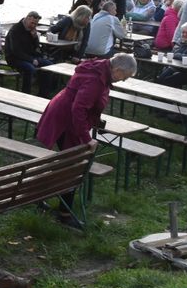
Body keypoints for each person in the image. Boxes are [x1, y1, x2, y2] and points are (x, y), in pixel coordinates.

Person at [36, 53, 138, 227]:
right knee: (74, 166)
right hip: (66, 120)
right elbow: (78, 109)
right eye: (125, 77)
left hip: (65, 114)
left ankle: (42, 199)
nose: (123, 81)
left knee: (68, 164)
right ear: (118, 70)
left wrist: (96, 121)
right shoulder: (95, 80)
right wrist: (86, 138)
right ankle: (64, 214)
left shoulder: (100, 67)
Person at [4, 11, 54, 97]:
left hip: (29, 56)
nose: (33, 26)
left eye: (36, 24)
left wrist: (35, 38)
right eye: (32, 23)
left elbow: (36, 47)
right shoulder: (15, 30)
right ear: (27, 18)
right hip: (14, 58)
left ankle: (43, 94)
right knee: (30, 68)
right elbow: (15, 51)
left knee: (49, 65)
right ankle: (25, 94)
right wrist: (31, 60)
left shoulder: (31, 30)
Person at [156, 22, 187, 88]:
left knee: (168, 81)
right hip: (176, 67)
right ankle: (158, 97)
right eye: (183, 32)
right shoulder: (180, 40)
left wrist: (176, 55)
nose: (184, 34)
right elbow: (172, 53)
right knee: (160, 79)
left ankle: (169, 97)